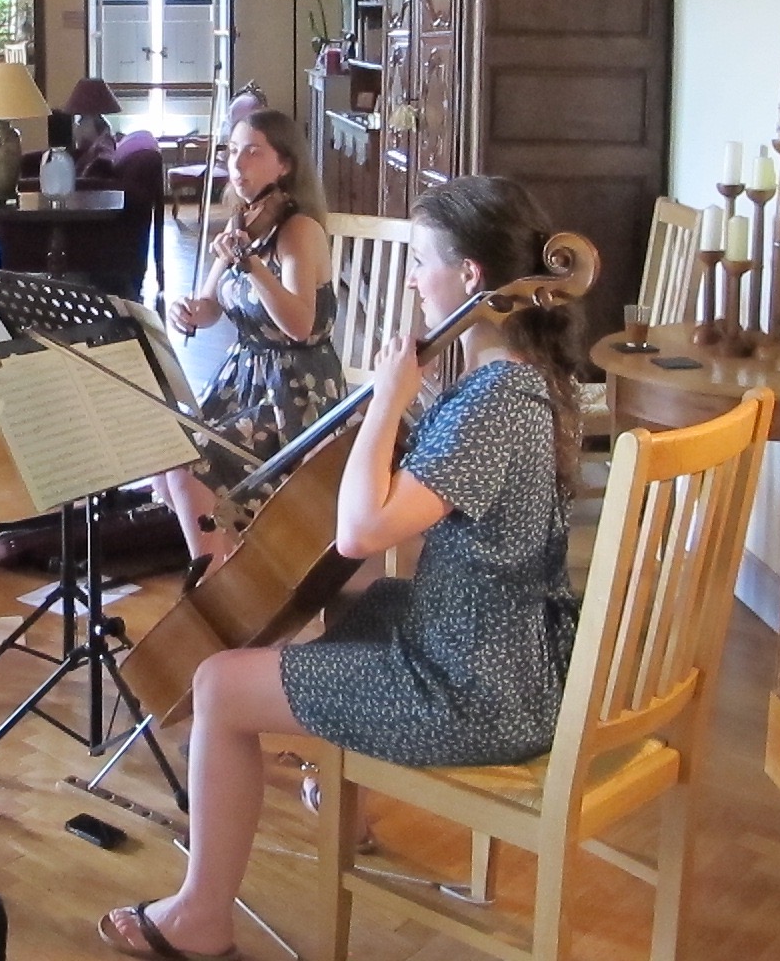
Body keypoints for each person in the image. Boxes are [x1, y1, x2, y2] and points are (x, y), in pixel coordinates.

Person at [99, 175, 584, 959]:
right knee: (351, 591)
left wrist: (389, 397)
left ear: (471, 280)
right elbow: (382, 518)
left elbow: (361, 527)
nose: (413, 282)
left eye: (422, 262)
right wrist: (392, 412)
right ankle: (348, 807)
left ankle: (200, 916)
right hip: (521, 653)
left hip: (476, 689)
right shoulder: (527, 384)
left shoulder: (493, 404)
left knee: (220, 684)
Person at [159, 108, 343, 562]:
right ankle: (229, 567)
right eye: (232, 151)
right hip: (243, 382)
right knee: (163, 454)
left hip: (295, 395)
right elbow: (209, 306)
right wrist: (188, 311)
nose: (236, 165)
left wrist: (253, 265)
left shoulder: (299, 231)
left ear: (285, 164)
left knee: (189, 466)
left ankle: (213, 591)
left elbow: (300, 325)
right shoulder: (242, 224)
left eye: (252, 153)